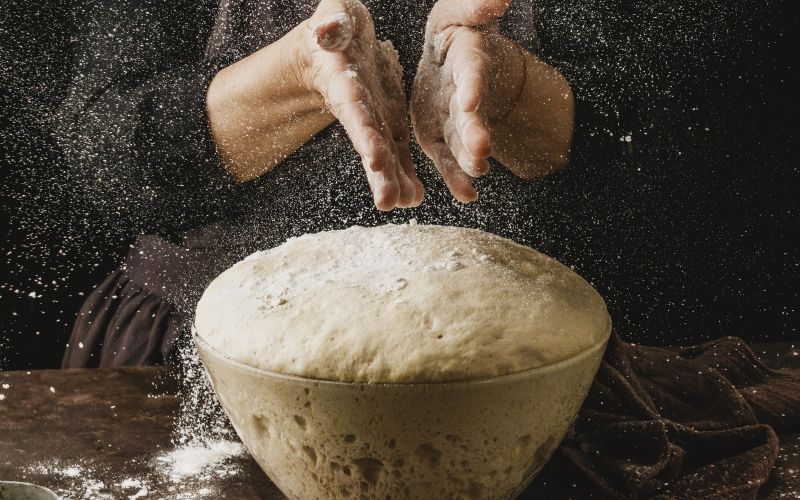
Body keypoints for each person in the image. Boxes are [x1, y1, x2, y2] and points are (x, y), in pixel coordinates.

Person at [57, 0, 577, 367]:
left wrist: (504, 85)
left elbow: (640, 158)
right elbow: (105, 161)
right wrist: (297, 74)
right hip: (198, 347)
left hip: (524, 351)